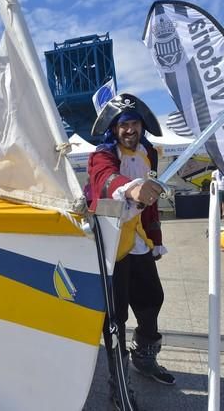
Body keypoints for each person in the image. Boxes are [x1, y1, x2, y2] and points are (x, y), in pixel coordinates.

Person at [86, 93, 176, 401]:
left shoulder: (149, 152)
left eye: (134, 123)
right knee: (115, 317)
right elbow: (104, 178)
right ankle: (118, 383)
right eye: (123, 125)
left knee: (152, 300)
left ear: (142, 126)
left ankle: (144, 359)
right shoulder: (102, 154)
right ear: (113, 128)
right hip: (112, 244)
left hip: (139, 242)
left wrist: (157, 240)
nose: (129, 130)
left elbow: (150, 202)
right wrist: (130, 186)